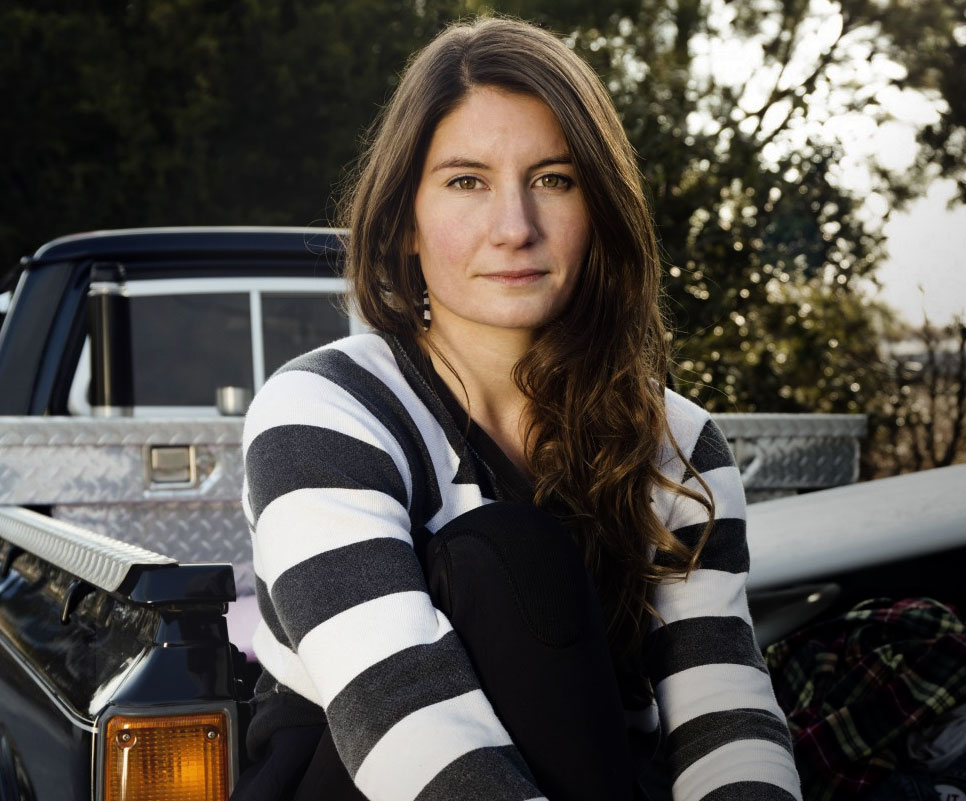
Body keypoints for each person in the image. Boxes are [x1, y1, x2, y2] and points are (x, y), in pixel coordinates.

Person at [235, 16, 801, 801]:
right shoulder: (327, 407)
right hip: (359, 775)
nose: (514, 228)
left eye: (553, 180)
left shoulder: (674, 437)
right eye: (467, 181)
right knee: (504, 553)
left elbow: (721, 706)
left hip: (595, 775)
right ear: (403, 221)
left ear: (597, 211)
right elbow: (397, 713)